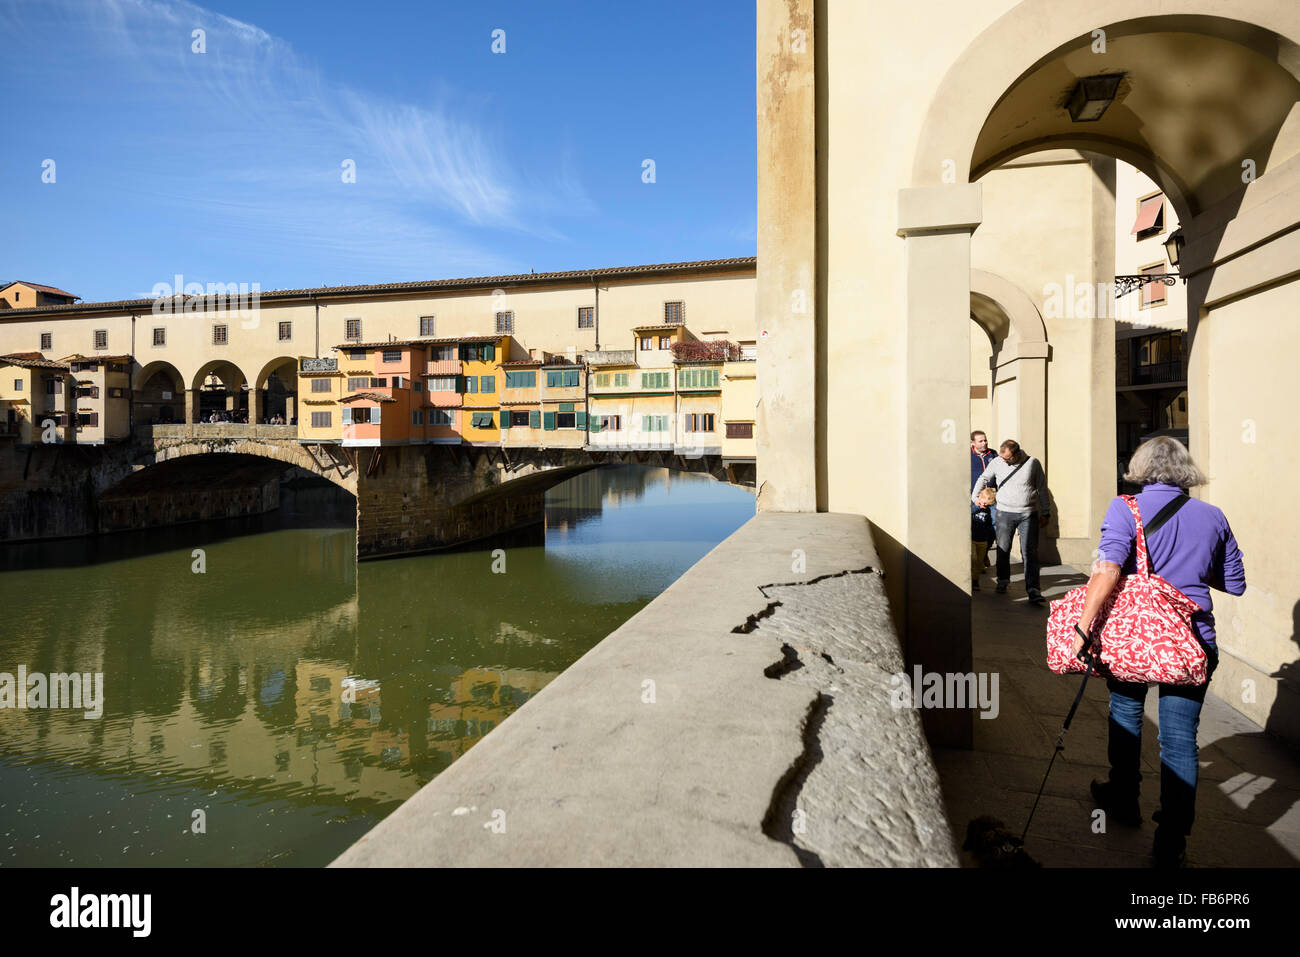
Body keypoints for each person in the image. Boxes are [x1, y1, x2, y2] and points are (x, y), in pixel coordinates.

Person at [1073, 436, 1245, 868]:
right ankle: (1172, 839)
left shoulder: (1124, 508)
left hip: (1135, 636)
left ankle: (1123, 797)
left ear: (1140, 467)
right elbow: (1235, 583)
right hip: (1192, 640)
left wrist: (1083, 626)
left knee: (1126, 713)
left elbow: (1109, 567)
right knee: (1180, 740)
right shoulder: (1212, 515)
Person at [971, 439, 1050, 603]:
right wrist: (974, 498)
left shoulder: (1032, 463)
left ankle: (1033, 589)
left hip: (1028, 513)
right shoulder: (998, 462)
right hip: (1004, 512)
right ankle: (1003, 581)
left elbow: (1042, 488)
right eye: (1002, 457)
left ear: (1016, 454)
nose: (1004, 461)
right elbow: (983, 478)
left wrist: (1046, 512)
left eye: (1007, 458)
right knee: (1003, 548)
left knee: (1030, 552)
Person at [971, 487, 996, 590]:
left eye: (987, 504)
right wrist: (978, 507)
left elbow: (989, 525)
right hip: (972, 539)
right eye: (984, 503)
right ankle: (970, 578)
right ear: (979, 497)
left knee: (979, 562)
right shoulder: (973, 507)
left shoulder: (988, 511)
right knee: (974, 559)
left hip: (983, 541)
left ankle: (975, 580)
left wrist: (989, 536)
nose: (984, 506)